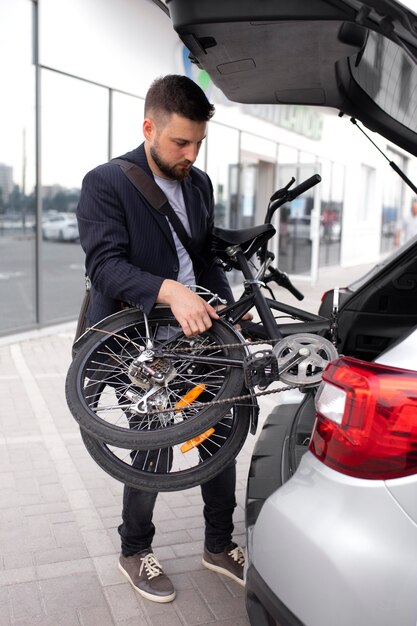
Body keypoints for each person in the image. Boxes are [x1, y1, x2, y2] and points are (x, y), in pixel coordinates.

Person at [76, 75, 245, 604]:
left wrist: (225, 311)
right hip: (138, 342)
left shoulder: (199, 184)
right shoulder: (106, 182)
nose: (190, 154)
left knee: (222, 435)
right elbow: (105, 267)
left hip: (200, 336)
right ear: (149, 127)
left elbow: (203, 256)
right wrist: (171, 291)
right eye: (180, 142)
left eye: (198, 143)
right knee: (153, 448)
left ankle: (218, 544)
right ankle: (135, 551)